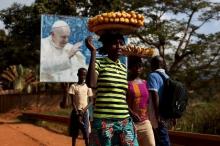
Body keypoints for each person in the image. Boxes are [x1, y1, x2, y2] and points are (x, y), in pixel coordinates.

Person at [85, 32, 139, 146]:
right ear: (107, 46)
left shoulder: (124, 68)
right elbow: (91, 83)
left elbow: (120, 96)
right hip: (104, 122)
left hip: (124, 121)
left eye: (121, 43)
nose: (119, 46)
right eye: (114, 43)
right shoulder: (99, 63)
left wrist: (131, 112)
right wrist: (93, 53)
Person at [126, 56, 155, 146]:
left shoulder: (145, 83)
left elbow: (150, 102)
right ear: (130, 67)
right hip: (129, 124)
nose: (138, 68)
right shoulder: (126, 84)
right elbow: (121, 101)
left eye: (140, 65)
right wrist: (131, 113)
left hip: (145, 122)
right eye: (135, 65)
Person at [147, 56, 170, 146]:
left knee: (161, 140)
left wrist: (157, 115)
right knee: (162, 138)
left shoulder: (152, 76)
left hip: (157, 115)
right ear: (162, 64)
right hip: (166, 113)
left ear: (153, 65)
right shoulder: (167, 76)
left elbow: (154, 95)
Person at [68, 67, 93, 146]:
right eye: (81, 75)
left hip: (85, 113)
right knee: (74, 134)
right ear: (78, 75)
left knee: (86, 134)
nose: (83, 77)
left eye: (84, 75)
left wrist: (83, 111)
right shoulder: (73, 86)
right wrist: (77, 112)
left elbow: (91, 101)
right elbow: (72, 102)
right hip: (75, 112)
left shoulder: (88, 87)